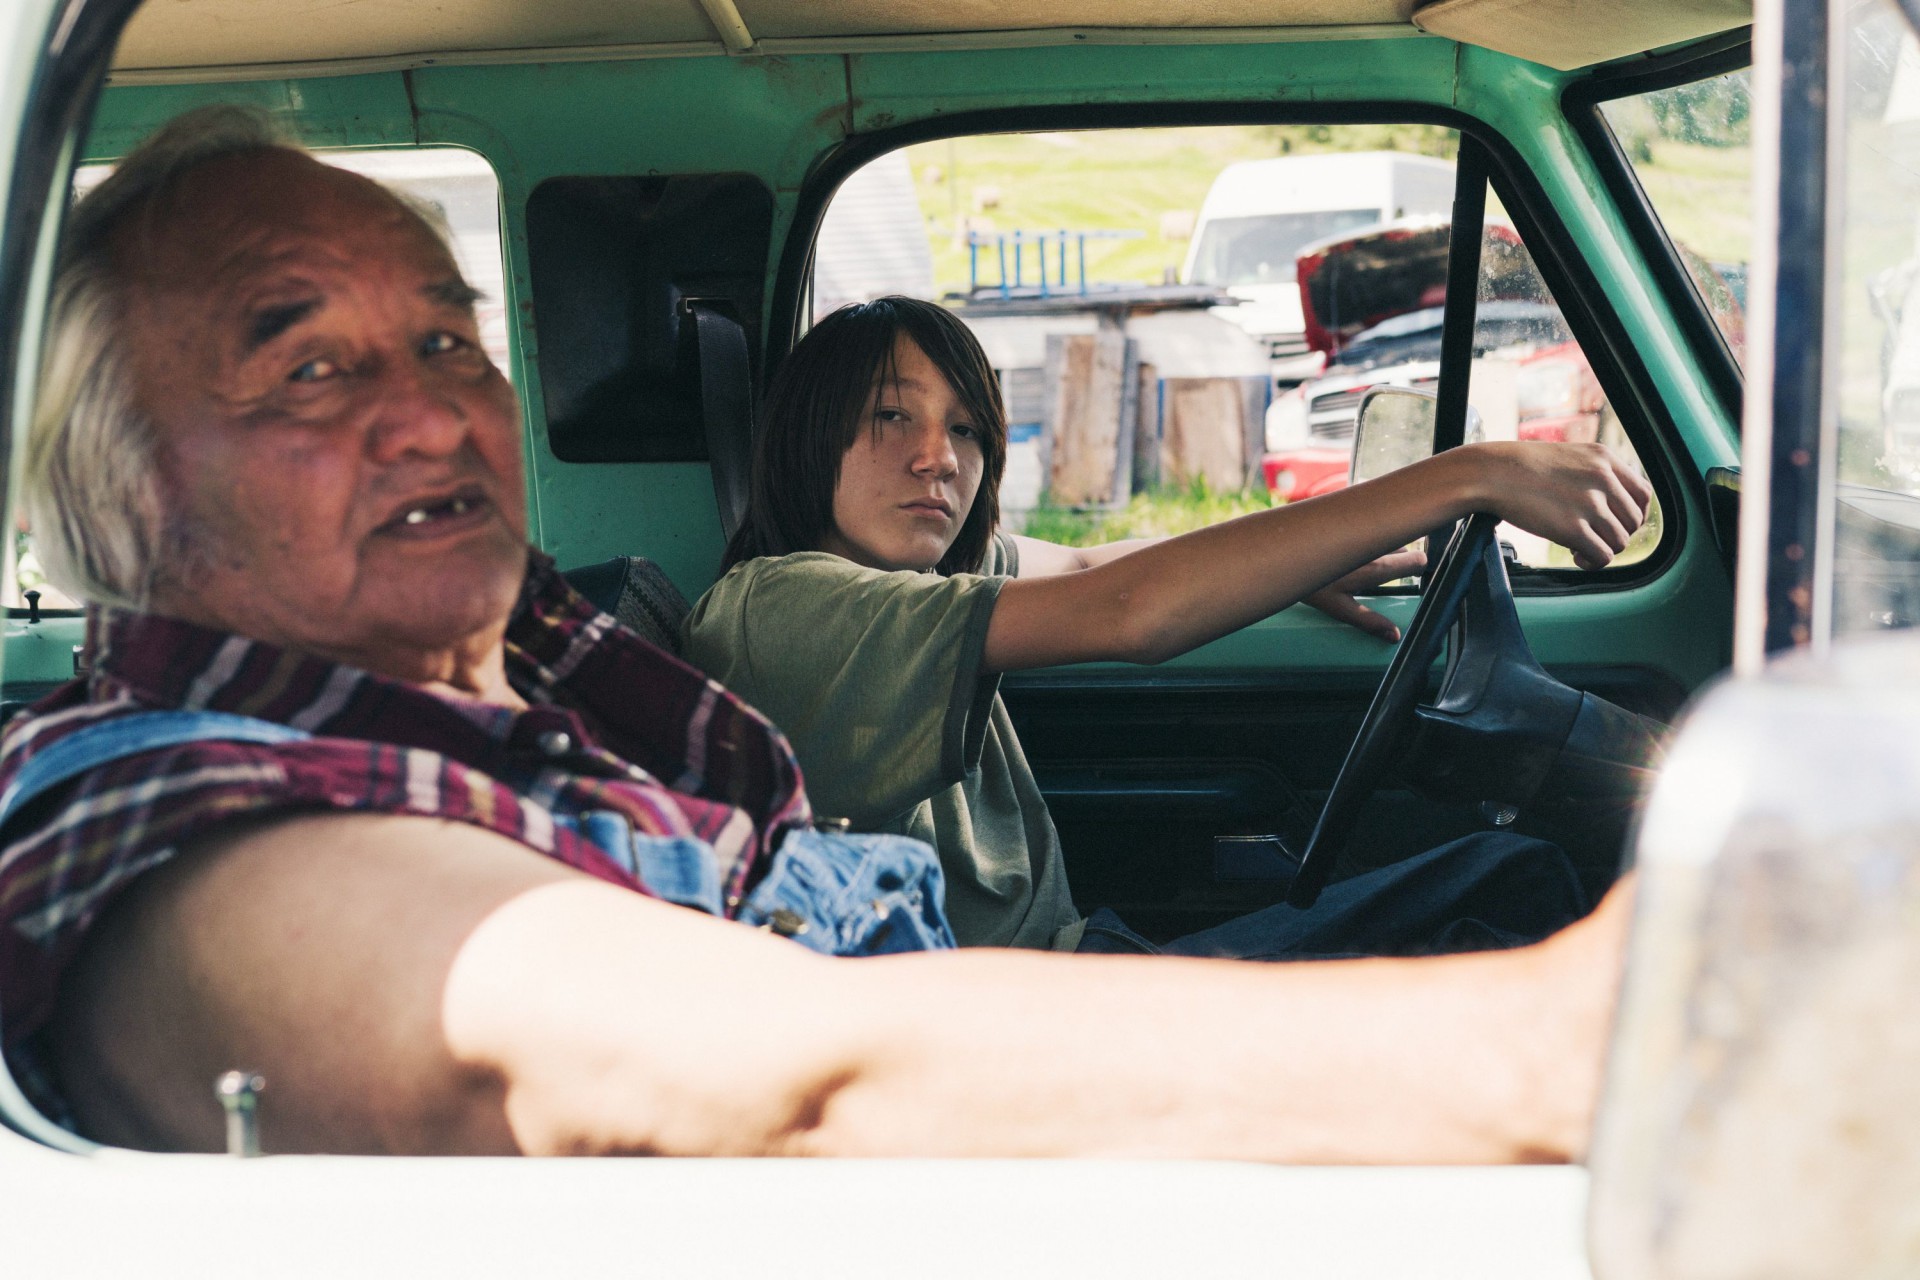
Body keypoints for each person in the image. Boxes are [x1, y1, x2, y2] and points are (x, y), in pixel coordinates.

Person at [0, 105, 1628, 1162]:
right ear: (116, 486)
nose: (430, 413)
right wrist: (1561, 1050)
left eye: (446, 335)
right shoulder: (186, 825)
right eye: (306, 367)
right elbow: (749, 1068)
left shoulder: (517, 659)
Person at [684, 297, 1650, 957]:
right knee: (1516, 888)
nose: (938, 457)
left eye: (968, 429)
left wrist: (1304, 556)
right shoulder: (786, 606)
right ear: (811, 437)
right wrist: (1469, 474)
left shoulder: (921, 570)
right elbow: (1130, 612)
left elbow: (1097, 562)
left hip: (1075, 974)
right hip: (1027, 1030)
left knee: (1505, 883)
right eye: (891, 417)